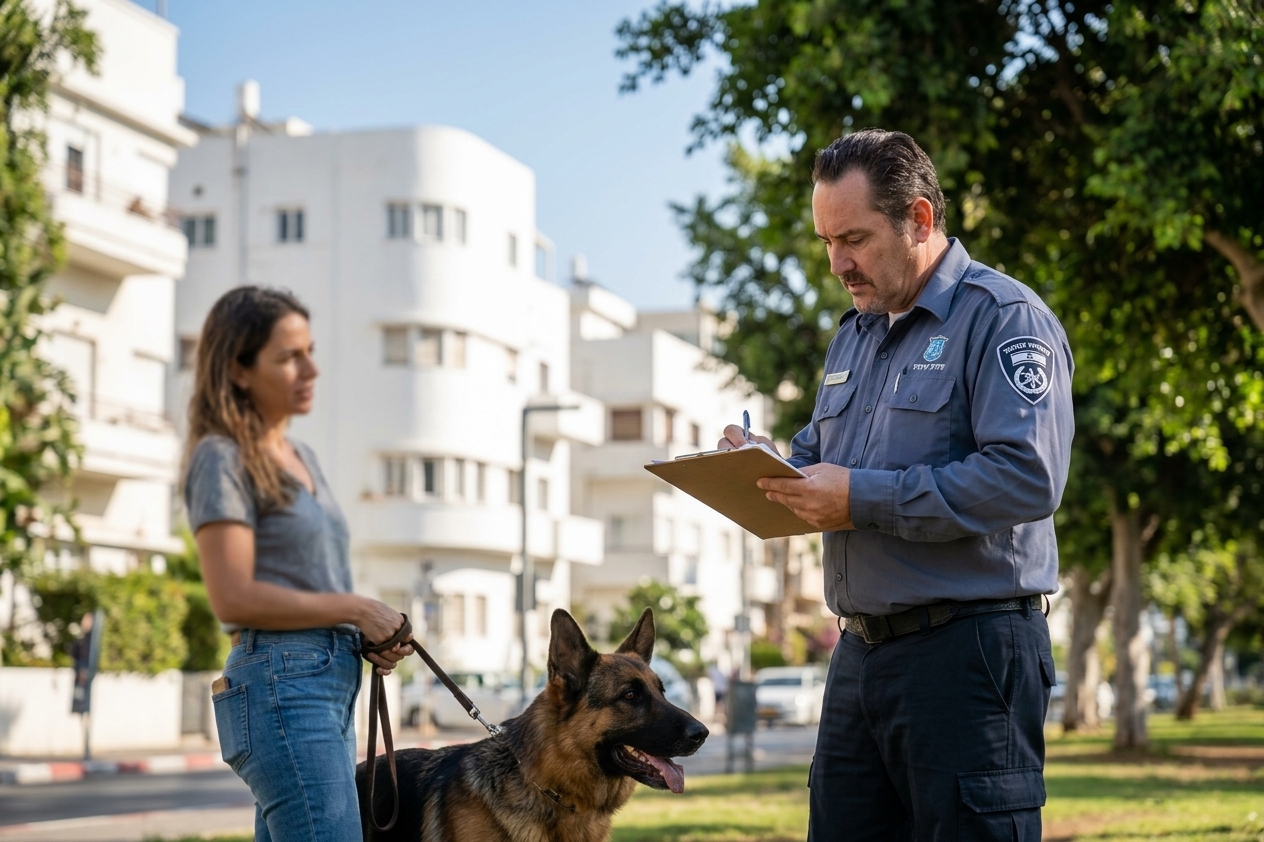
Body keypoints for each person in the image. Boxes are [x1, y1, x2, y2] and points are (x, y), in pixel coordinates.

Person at [720, 129, 1073, 840]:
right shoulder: (852, 335)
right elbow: (825, 456)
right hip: (859, 657)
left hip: (968, 655)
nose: (837, 264)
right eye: (825, 242)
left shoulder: (1003, 318)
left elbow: (1027, 476)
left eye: (853, 238)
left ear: (917, 219)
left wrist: (859, 498)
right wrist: (768, 465)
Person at [184, 286, 411, 842]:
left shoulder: (301, 455)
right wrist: (358, 609)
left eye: (309, 351)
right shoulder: (222, 457)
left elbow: (306, 583)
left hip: (326, 685)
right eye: (288, 357)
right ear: (238, 369)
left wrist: (364, 636)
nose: (310, 368)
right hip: (282, 685)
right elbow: (233, 596)